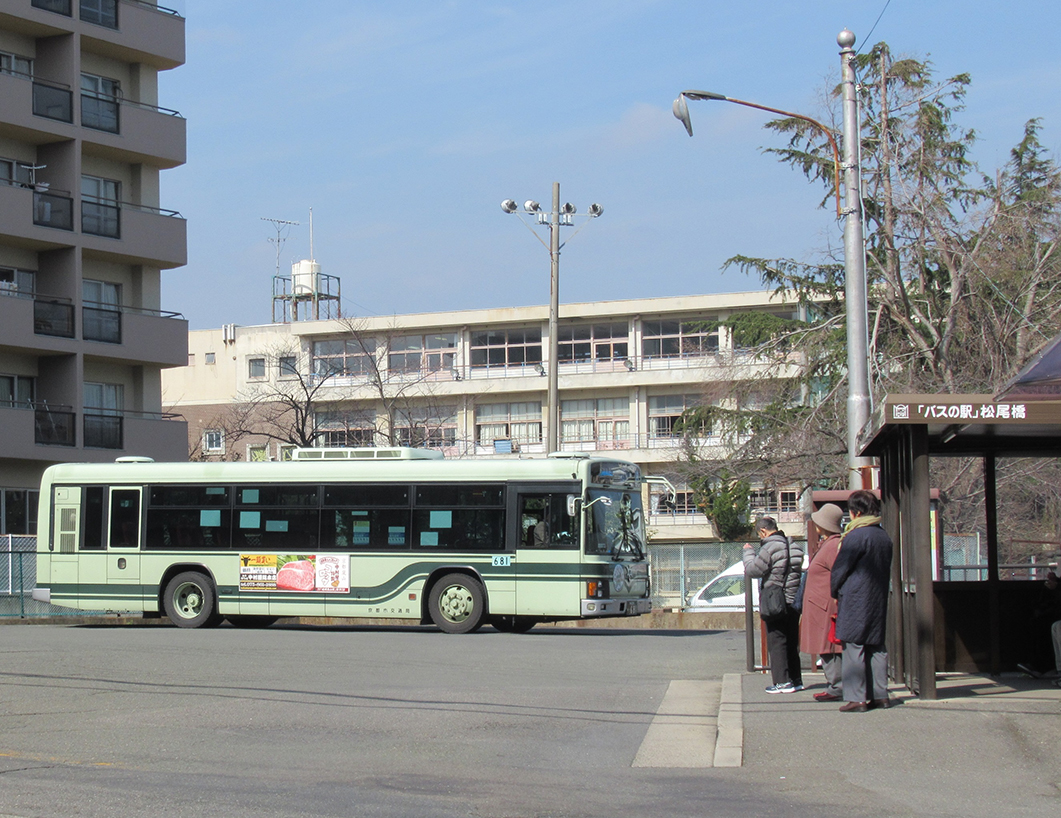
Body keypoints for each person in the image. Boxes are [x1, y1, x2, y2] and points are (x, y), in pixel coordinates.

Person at [830, 490, 894, 712]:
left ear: (856, 512)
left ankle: (857, 698)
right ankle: (880, 695)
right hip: (877, 595)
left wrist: (835, 590)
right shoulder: (883, 535)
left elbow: (841, 568)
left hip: (856, 596)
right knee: (876, 645)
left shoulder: (856, 536)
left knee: (854, 644)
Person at [743, 515, 805, 693]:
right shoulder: (794, 546)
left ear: (763, 531)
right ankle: (796, 679)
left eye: (759, 535)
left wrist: (748, 553)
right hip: (793, 599)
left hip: (775, 600)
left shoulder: (769, 547)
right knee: (792, 640)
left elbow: (753, 569)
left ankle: (782, 682)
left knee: (777, 640)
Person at [799, 503, 845, 702]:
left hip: (826, 606)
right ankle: (834, 684)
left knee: (829, 647)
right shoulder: (829, 544)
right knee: (825, 647)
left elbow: (839, 574)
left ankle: (837, 686)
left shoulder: (834, 546)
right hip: (820, 605)